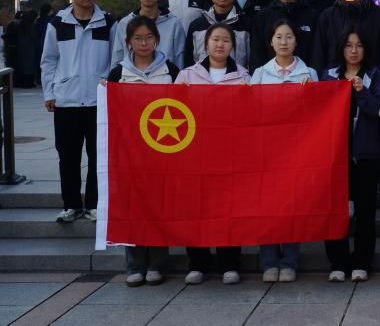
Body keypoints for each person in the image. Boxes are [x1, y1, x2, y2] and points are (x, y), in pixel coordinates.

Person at [106, 15, 179, 287]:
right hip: (130, 154)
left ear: (157, 40)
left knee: (159, 205)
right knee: (132, 205)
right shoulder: (118, 73)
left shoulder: (171, 70)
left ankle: (157, 264)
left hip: (163, 151)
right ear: (128, 42)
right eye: (138, 38)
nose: (144, 43)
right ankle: (135, 265)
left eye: (148, 38)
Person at [175, 23, 250, 285]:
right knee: (196, 209)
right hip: (195, 155)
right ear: (205, 44)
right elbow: (174, 111)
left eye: (226, 41)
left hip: (230, 155)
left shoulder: (243, 77)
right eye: (215, 39)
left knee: (230, 209)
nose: (220, 45)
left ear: (233, 46)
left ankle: (229, 264)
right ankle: (198, 263)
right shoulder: (187, 75)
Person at [41, 0, 116, 223]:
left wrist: (110, 88)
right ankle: (71, 204)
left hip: (99, 101)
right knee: (68, 156)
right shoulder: (57, 24)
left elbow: (115, 60)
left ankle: (94, 204)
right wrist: (49, 92)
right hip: (67, 100)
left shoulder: (108, 22)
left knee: (98, 156)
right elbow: (49, 60)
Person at [250, 20, 315, 283]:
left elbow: (318, 112)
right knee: (266, 207)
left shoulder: (308, 73)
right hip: (266, 151)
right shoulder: (260, 73)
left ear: (296, 41)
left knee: (292, 206)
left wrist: (311, 93)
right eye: (279, 37)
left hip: (297, 151)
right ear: (271, 42)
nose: (284, 41)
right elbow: (250, 112)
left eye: (289, 37)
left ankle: (289, 261)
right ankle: (268, 262)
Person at [324, 27, 380, 283]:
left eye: (359, 45)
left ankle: (362, 262)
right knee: (335, 210)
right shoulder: (329, 75)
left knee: (365, 211)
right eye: (348, 45)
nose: (353, 51)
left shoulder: (375, 74)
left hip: (367, 155)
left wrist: (361, 92)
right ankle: (338, 263)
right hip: (335, 156)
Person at [249, 0, 318, 69]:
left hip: (305, 76)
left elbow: (316, 52)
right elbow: (256, 54)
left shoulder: (311, 15)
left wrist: (313, 75)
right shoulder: (262, 17)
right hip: (270, 77)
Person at [111, 0, 186, 69]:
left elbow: (179, 58)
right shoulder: (125, 23)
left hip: (165, 76)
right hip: (131, 76)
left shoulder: (174, 23)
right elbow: (117, 57)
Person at [184, 0, 252, 69]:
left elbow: (253, 60)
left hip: (238, 77)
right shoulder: (197, 26)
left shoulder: (247, 25)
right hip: (201, 78)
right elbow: (189, 61)